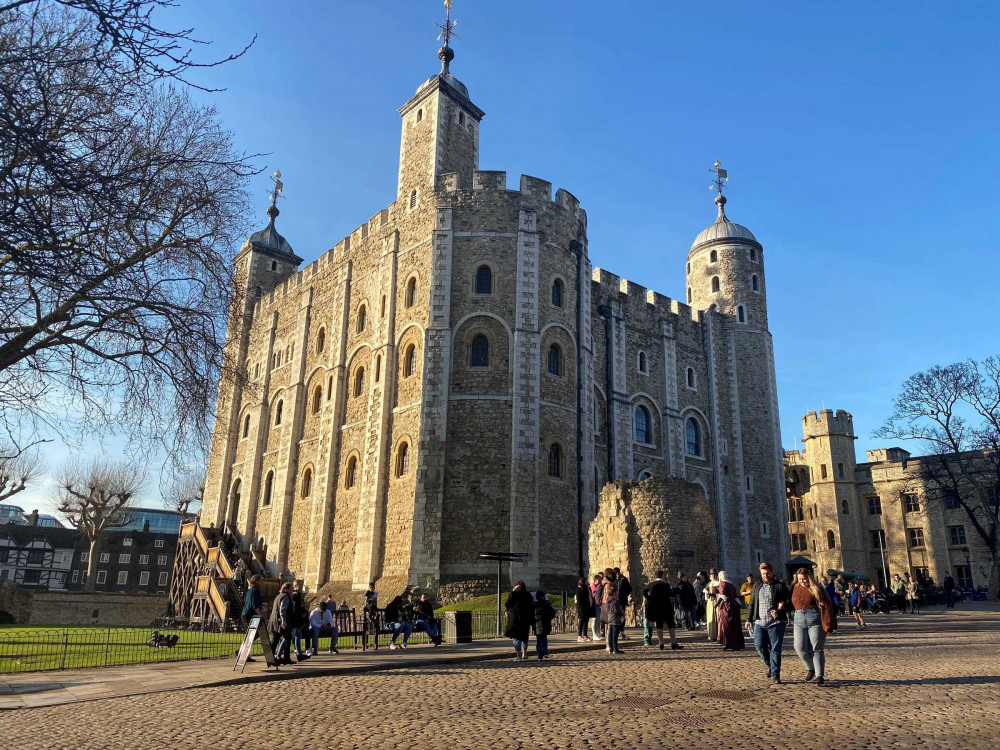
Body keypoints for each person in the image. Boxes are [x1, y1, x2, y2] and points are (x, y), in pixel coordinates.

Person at [746, 561, 793, 684]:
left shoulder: (780, 586)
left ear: (772, 573)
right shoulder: (757, 585)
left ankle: (775, 674)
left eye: (767, 573)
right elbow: (752, 603)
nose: (765, 576)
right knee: (759, 646)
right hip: (760, 622)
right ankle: (770, 666)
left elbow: (790, 603)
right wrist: (748, 619)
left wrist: (781, 608)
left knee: (775, 649)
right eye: (763, 574)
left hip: (776, 623)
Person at [790, 566, 833, 685]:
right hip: (798, 618)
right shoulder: (794, 587)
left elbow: (828, 604)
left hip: (815, 619)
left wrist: (828, 621)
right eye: (799, 579)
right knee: (799, 647)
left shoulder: (816, 588)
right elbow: (790, 603)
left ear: (809, 578)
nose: (802, 581)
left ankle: (820, 676)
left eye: (804, 579)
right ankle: (811, 667)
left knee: (816, 648)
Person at [642, 570, 682, 650]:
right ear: (662, 575)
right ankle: (673, 642)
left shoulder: (651, 584)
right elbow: (671, 594)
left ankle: (661, 643)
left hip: (656, 607)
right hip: (666, 606)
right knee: (671, 624)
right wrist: (677, 589)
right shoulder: (666, 584)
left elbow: (644, 591)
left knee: (659, 624)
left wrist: (650, 599)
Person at [504, 581, 534, 661]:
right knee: (524, 637)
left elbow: (507, 604)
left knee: (516, 637)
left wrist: (513, 591)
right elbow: (532, 607)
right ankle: (524, 653)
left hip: (516, 620)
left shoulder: (515, 595)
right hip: (524, 619)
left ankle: (519, 655)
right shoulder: (528, 595)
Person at [715, 571, 745, 651]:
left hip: (726, 606)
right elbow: (735, 596)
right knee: (735, 625)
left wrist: (717, 596)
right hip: (734, 605)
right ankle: (735, 644)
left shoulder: (722, 584)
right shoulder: (731, 584)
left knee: (727, 626)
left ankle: (731, 644)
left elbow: (723, 595)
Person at [268, 582, 295, 665]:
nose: (293, 589)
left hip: (274, 620)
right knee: (287, 638)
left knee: (275, 639)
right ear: (287, 589)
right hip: (282, 621)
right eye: (291, 587)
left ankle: (270, 658)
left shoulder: (278, 596)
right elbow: (282, 609)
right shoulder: (286, 597)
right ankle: (286, 658)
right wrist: (283, 621)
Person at [601, 569, 624, 654]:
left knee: (610, 629)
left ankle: (610, 646)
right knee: (612, 631)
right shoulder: (609, 586)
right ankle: (612, 646)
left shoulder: (607, 584)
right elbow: (614, 609)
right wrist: (620, 613)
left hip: (608, 609)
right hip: (612, 615)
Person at [289, 580, 311, 661]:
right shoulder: (295, 595)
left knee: (298, 635)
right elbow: (296, 608)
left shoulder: (299, 594)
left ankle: (299, 653)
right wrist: (303, 612)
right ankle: (280, 654)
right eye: (300, 585)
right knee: (289, 637)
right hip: (295, 619)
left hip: (298, 618)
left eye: (302, 584)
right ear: (295, 585)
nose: (302, 586)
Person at [533, 589, 556, 660]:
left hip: (537, 624)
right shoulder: (547, 605)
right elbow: (553, 613)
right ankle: (545, 652)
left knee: (539, 639)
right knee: (544, 639)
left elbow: (532, 615)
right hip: (546, 623)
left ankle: (540, 654)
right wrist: (549, 618)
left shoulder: (535, 606)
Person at [614, 567, 633, 639]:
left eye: (618, 572)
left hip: (622, 600)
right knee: (615, 616)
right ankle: (617, 630)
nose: (617, 574)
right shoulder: (613, 580)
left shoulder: (624, 579)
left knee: (622, 616)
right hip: (615, 600)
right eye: (616, 573)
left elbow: (630, 589)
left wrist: (624, 594)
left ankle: (621, 631)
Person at [575, 576, 594, 642]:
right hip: (581, 608)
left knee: (586, 622)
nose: (587, 582)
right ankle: (579, 636)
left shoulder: (586, 588)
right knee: (581, 621)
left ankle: (585, 635)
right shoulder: (579, 589)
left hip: (587, 607)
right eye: (586, 581)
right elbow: (579, 600)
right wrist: (581, 608)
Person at [705, 569, 720, 642]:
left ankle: (718, 634)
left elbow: (720, 593)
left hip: (716, 601)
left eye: (714, 575)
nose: (713, 576)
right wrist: (707, 595)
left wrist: (715, 594)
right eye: (712, 575)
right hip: (710, 602)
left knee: (717, 617)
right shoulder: (709, 583)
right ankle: (712, 635)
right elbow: (706, 591)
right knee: (710, 617)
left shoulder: (718, 583)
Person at [590, 572, 604, 640]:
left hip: (599, 604)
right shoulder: (593, 586)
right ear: (595, 580)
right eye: (598, 580)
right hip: (594, 604)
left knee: (598, 620)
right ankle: (594, 634)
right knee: (595, 620)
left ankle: (598, 633)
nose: (599, 581)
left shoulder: (600, 586)